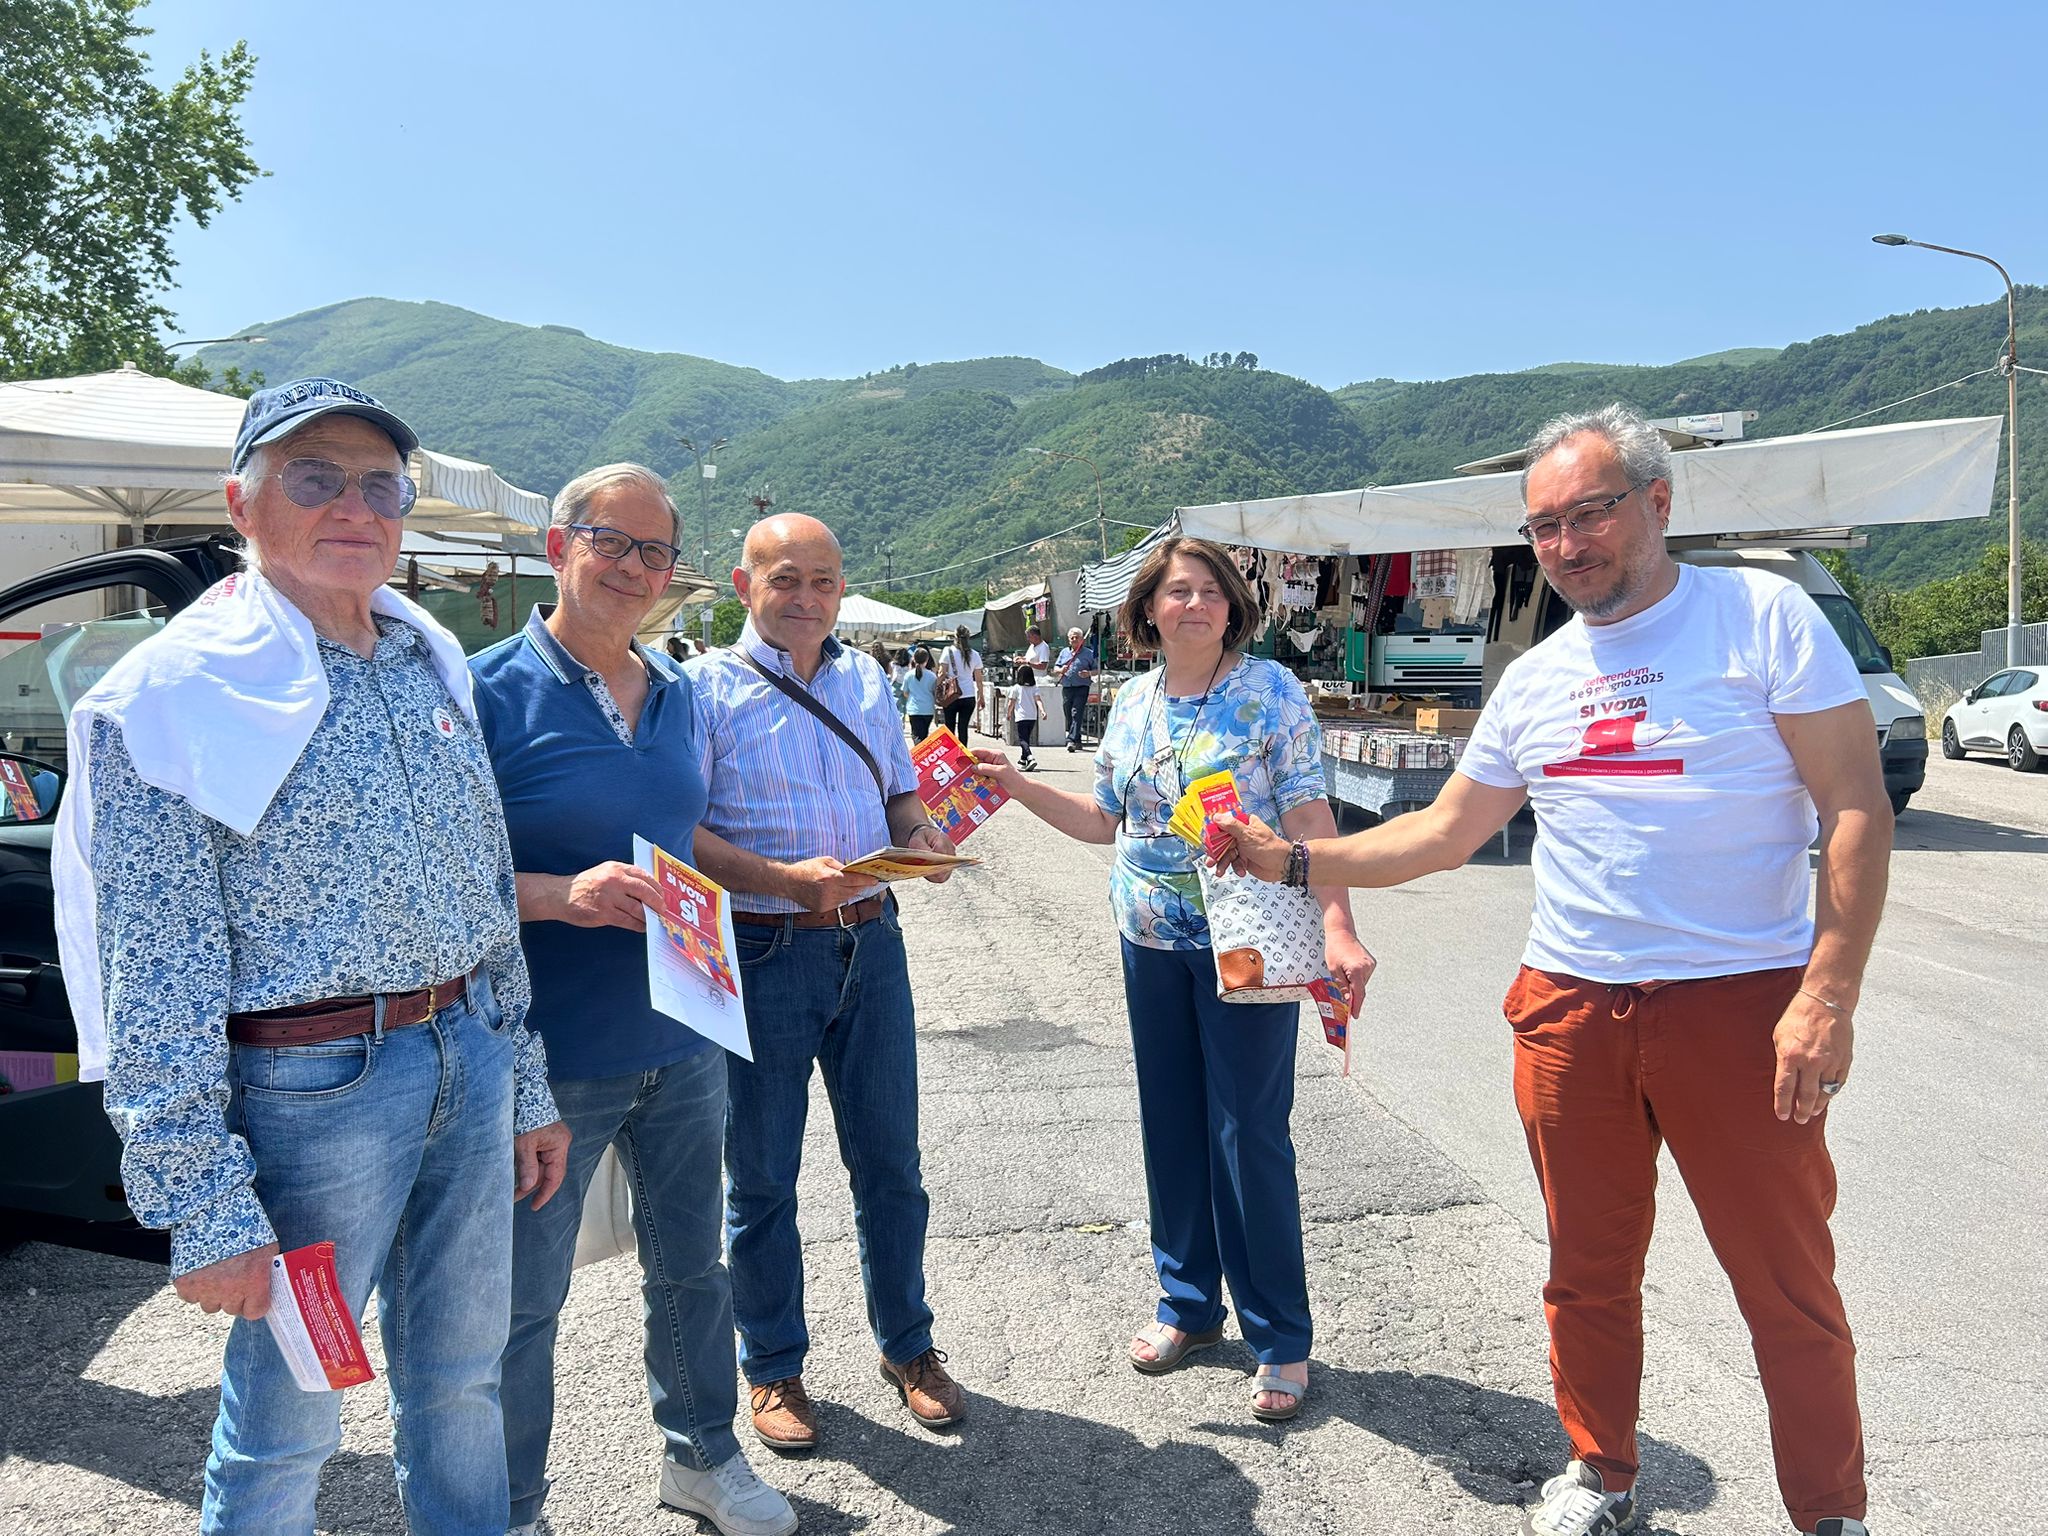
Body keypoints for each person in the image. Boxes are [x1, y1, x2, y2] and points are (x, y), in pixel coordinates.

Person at [1214, 404, 1887, 1536]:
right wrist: (1290, 860)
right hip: (1571, 1007)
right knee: (1586, 1271)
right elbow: (1442, 834)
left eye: (1591, 513)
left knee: (1784, 1285)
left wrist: (1827, 994)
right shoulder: (1534, 678)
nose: (1567, 544)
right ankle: (1601, 1473)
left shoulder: (1760, 617)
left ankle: (1830, 1513)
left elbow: (1854, 802)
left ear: (1657, 502)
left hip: (1741, 1006)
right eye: (1543, 527)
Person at [51, 377, 570, 1535]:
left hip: (468, 1053)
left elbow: (483, 889)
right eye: (316, 478)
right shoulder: (171, 697)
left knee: (462, 1382)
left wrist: (524, 1079)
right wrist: (201, 1201)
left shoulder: (424, 659)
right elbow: (155, 969)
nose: (354, 506)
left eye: (380, 486)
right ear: (243, 503)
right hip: (314, 1094)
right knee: (287, 1425)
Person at [970, 536, 1373, 1422]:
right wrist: (1015, 786)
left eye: (1211, 592)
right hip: (1147, 938)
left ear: (1234, 607)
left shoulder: (1269, 691)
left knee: (1249, 1131)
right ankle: (1188, 1304)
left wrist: (1339, 926)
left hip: (1249, 939)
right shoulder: (1132, 700)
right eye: (1178, 592)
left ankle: (1279, 1335)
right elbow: (1101, 819)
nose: (1195, 605)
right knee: (1171, 1122)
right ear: (1148, 609)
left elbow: (1311, 816)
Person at [471, 465, 794, 1536]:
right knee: (522, 1302)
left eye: (655, 552)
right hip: (544, 1056)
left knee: (691, 1270)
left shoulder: (677, 692)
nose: (634, 568)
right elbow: (429, 881)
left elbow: (679, 832)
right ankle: (511, 1508)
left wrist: (774, 884)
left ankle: (701, 1458)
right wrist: (557, 895)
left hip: (683, 1032)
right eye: (612, 541)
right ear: (557, 547)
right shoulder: (481, 692)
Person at [687, 513, 968, 1453]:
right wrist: (780, 879)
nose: (806, 598)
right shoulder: (703, 690)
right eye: (786, 579)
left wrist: (920, 834)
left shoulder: (867, 679)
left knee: (892, 1164)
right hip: (761, 951)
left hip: (872, 943)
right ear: (744, 585)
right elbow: (680, 831)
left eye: (823, 581)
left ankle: (909, 1346)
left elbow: (897, 791)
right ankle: (772, 1365)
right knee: (762, 1175)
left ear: (841, 588)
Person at [1054, 624, 1097, 752]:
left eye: (1076, 637)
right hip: (1067, 686)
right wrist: (1061, 670)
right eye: (1072, 638)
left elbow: (1097, 669)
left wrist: (1088, 673)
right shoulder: (1064, 652)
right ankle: (1077, 740)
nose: (1074, 640)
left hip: (1082, 686)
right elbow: (1056, 668)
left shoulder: (1089, 653)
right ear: (1068, 640)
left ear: (1082, 639)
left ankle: (1071, 740)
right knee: (1068, 712)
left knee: (1076, 712)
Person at [939, 625, 981, 741]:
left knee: (949, 727)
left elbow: (942, 673)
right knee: (963, 728)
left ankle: (951, 751)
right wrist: (981, 696)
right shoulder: (975, 654)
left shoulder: (947, 651)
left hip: (951, 695)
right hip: (969, 695)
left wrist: (937, 688)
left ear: (955, 637)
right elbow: (979, 679)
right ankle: (963, 751)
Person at [1006, 662, 1044, 771]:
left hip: (1021, 717)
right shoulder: (1034, 688)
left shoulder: (1016, 688)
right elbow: (1038, 700)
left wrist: (1008, 713)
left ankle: (1030, 757)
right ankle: (1023, 760)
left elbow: (1011, 703)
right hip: (1032, 717)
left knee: (1022, 739)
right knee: (1026, 738)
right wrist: (1042, 711)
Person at [903, 645, 939, 742]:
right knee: (924, 735)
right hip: (928, 709)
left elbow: (905, 693)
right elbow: (935, 692)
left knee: (916, 735)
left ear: (913, 659)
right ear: (927, 660)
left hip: (913, 709)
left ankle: (917, 750)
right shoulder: (932, 676)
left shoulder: (908, 675)